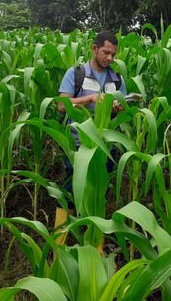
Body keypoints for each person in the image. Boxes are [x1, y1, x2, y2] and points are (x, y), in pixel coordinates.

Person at [55, 30, 127, 246]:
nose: (110, 58)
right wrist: (90, 98)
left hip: (105, 147)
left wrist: (117, 107)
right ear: (94, 49)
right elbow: (61, 105)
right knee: (69, 191)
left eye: (114, 54)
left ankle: (96, 245)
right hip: (78, 145)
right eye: (106, 53)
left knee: (99, 193)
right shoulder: (75, 74)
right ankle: (58, 244)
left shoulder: (116, 79)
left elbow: (123, 109)